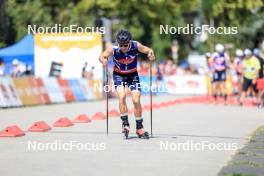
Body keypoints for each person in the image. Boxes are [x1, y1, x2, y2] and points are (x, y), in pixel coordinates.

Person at [99, 29, 155, 138]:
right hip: (118, 75)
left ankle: (139, 127)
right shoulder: (113, 48)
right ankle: (125, 124)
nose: (123, 47)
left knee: (136, 99)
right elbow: (102, 56)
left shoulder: (136, 45)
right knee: (122, 96)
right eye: (121, 45)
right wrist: (104, 60)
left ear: (130, 42)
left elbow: (148, 50)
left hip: (132, 75)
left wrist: (151, 55)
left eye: (125, 45)